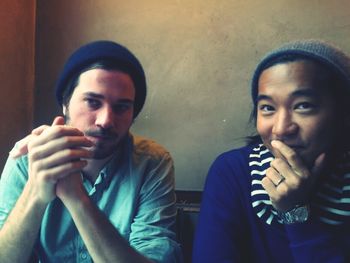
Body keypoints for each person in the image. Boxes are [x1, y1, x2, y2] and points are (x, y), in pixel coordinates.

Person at [0, 40, 182, 263]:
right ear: (65, 103)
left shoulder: (152, 163)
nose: (106, 121)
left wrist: (76, 197)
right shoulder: (27, 158)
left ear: (133, 114)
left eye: (122, 107)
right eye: (92, 102)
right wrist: (36, 192)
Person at [193, 40, 350, 262]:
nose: (280, 129)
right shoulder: (233, 172)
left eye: (303, 105)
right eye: (267, 108)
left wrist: (296, 213)